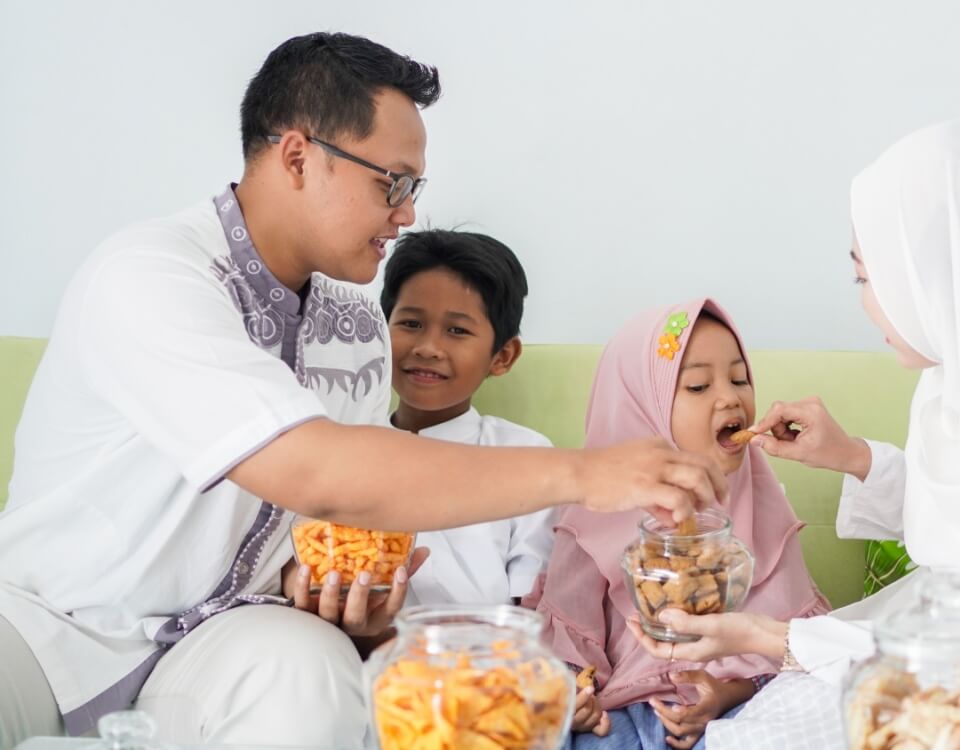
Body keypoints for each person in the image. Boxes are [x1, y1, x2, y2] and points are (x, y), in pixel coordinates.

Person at [0, 33, 724, 749]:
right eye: (393, 182)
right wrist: (587, 473)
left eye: (415, 188)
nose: (407, 213)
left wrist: (333, 591)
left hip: (216, 637)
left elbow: (324, 519)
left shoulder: (354, 321)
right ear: (296, 157)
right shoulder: (151, 277)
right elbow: (315, 468)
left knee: (310, 670)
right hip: (49, 631)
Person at [626, 122, 960, 749]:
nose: (868, 304)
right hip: (939, 635)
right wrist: (850, 456)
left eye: (868, 278)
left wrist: (765, 636)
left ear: (951, 277)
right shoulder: (959, 378)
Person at [526, 298, 829, 749]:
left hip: (743, 713)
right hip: (625, 714)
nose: (729, 397)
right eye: (698, 386)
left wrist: (729, 693)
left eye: (740, 379)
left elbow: (795, 649)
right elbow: (570, 649)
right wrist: (574, 693)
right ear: (640, 409)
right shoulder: (594, 518)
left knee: (823, 704)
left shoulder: (766, 505)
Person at [380, 228, 555, 607]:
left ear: (503, 356)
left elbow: (530, 601)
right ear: (381, 330)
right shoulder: (345, 448)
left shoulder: (525, 457)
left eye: (457, 330)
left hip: (490, 658)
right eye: (411, 324)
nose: (428, 348)